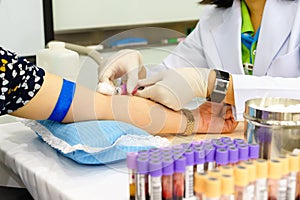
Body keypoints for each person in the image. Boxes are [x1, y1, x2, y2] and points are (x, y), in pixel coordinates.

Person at [97, 0, 300, 123]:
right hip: (237, 149)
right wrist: (135, 73)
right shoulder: (214, 19)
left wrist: (216, 85)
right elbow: (169, 76)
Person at [0, 46, 237, 135]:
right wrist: (193, 120)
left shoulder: (7, 72)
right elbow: (101, 105)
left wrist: (209, 87)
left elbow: (99, 105)